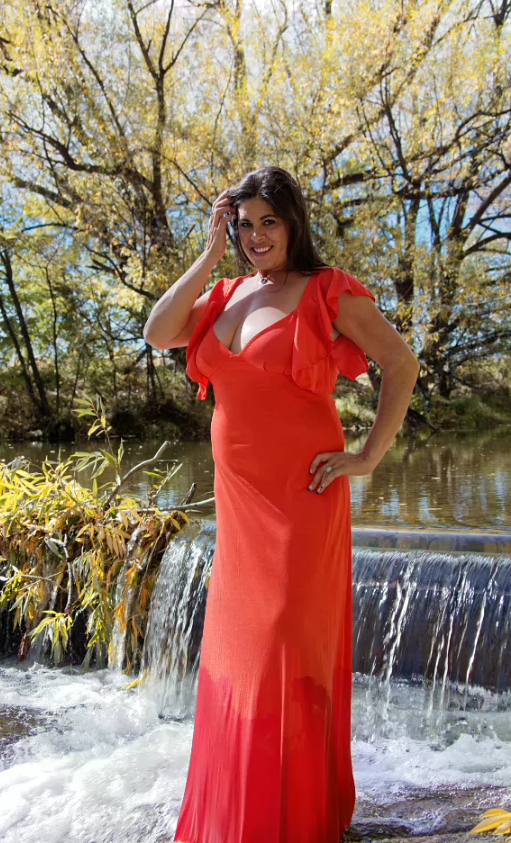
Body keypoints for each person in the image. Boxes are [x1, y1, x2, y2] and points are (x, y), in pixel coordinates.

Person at [143, 166, 420, 843]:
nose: (257, 236)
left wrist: (368, 456)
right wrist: (209, 254)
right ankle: (242, 815)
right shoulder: (226, 293)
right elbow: (157, 331)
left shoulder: (328, 291)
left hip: (302, 500)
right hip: (241, 507)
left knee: (283, 649)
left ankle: (294, 816)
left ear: (293, 222)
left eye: (269, 221)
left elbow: (401, 363)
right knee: (242, 653)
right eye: (244, 225)